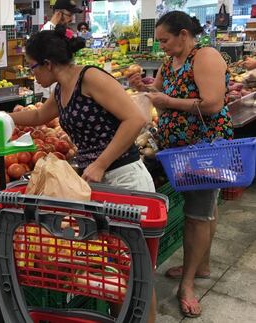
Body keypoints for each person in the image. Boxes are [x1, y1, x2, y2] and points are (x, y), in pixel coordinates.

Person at [10, 25, 157, 322]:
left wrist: (100, 162)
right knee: (113, 271)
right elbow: (40, 116)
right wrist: (0, 118)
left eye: (33, 68)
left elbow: (135, 119)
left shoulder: (90, 77)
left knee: (136, 272)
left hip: (124, 179)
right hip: (98, 186)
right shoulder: (61, 89)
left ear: (48, 64)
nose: (32, 75)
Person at [129, 11, 234, 318]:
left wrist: (168, 102)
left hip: (205, 146)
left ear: (184, 34)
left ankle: (187, 286)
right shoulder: (169, 61)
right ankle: (200, 265)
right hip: (179, 147)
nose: (161, 46)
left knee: (197, 215)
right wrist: (140, 87)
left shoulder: (206, 56)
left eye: (165, 40)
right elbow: (155, 95)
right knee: (204, 209)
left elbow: (213, 103)